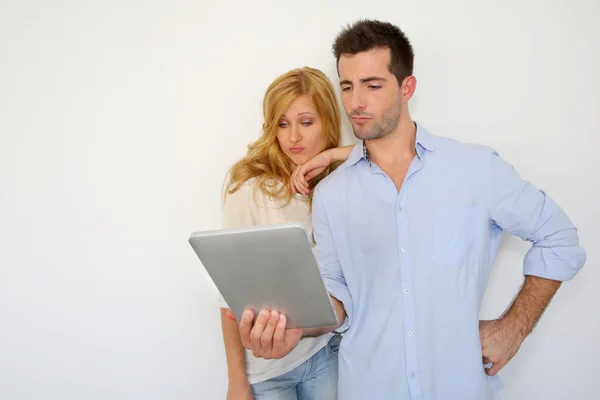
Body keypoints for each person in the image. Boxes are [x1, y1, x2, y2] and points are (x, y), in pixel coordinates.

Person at [233, 19, 587, 400]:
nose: (356, 102)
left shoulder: (474, 169)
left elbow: (560, 238)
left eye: (372, 85)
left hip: (457, 388)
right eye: (348, 86)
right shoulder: (332, 194)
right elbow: (337, 291)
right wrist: (300, 326)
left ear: (407, 88)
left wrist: (513, 328)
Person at [217, 66, 351, 400]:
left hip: (326, 354)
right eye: (283, 123)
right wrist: (237, 382)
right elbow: (227, 296)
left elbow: (393, 154)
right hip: (268, 372)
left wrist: (333, 156)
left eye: (306, 122)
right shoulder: (250, 187)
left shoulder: (342, 185)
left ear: (328, 123)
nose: (293, 137)